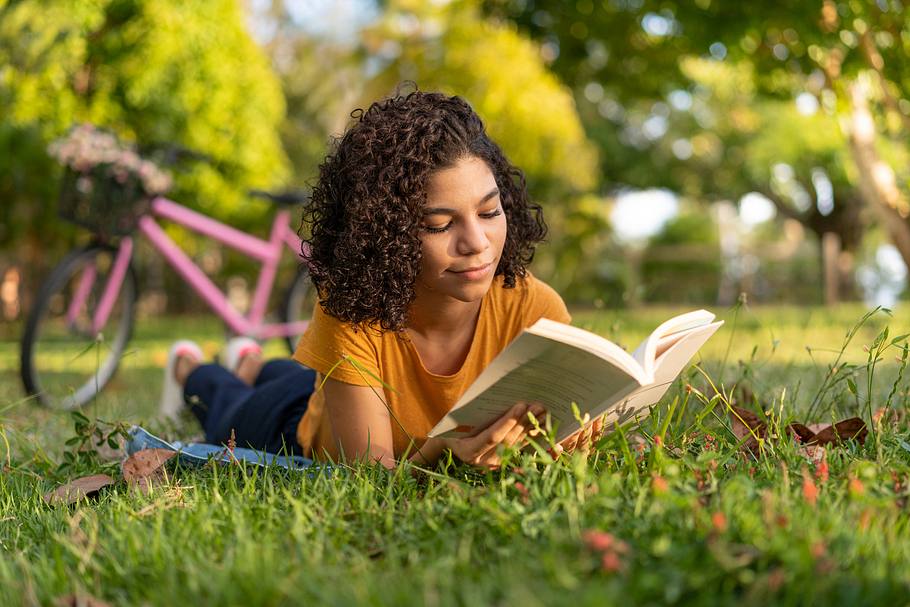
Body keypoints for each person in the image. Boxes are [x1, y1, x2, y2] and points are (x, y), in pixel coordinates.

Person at [160, 88, 603, 469]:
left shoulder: (535, 308)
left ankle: (252, 362)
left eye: (490, 213)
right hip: (293, 424)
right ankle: (187, 366)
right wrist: (442, 452)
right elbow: (371, 478)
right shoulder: (352, 307)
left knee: (287, 373)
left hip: (337, 384)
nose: (477, 243)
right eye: (439, 224)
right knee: (225, 407)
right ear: (386, 232)